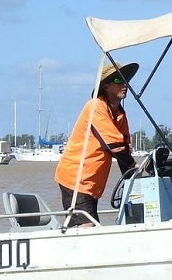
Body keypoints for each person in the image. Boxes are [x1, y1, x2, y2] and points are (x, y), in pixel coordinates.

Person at [54, 62, 139, 227]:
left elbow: (124, 150)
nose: (124, 84)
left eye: (125, 80)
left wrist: (137, 180)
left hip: (92, 184)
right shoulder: (95, 106)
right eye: (118, 80)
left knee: (87, 226)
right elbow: (115, 146)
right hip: (76, 178)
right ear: (106, 86)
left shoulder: (120, 114)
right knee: (87, 227)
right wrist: (135, 168)